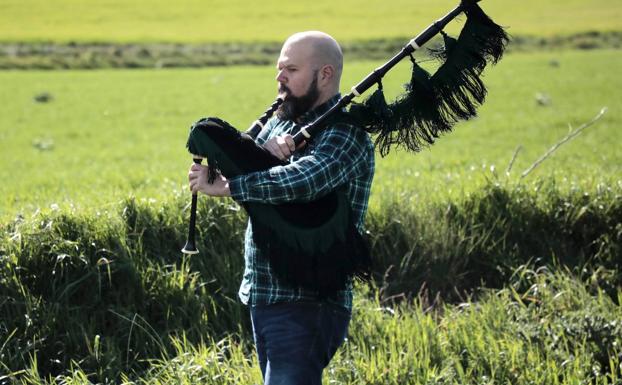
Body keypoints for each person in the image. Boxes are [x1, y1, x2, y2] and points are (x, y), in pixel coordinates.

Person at [188, 31, 374, 385]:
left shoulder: (347, 133)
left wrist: (229, 186)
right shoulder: (280, 123)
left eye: (291, 69)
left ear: (325, 74)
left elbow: (304, 182)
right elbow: (241, 163)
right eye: (278, 69)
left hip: (310, 299)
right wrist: (234, 159)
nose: (280, 78)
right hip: (264, 292)